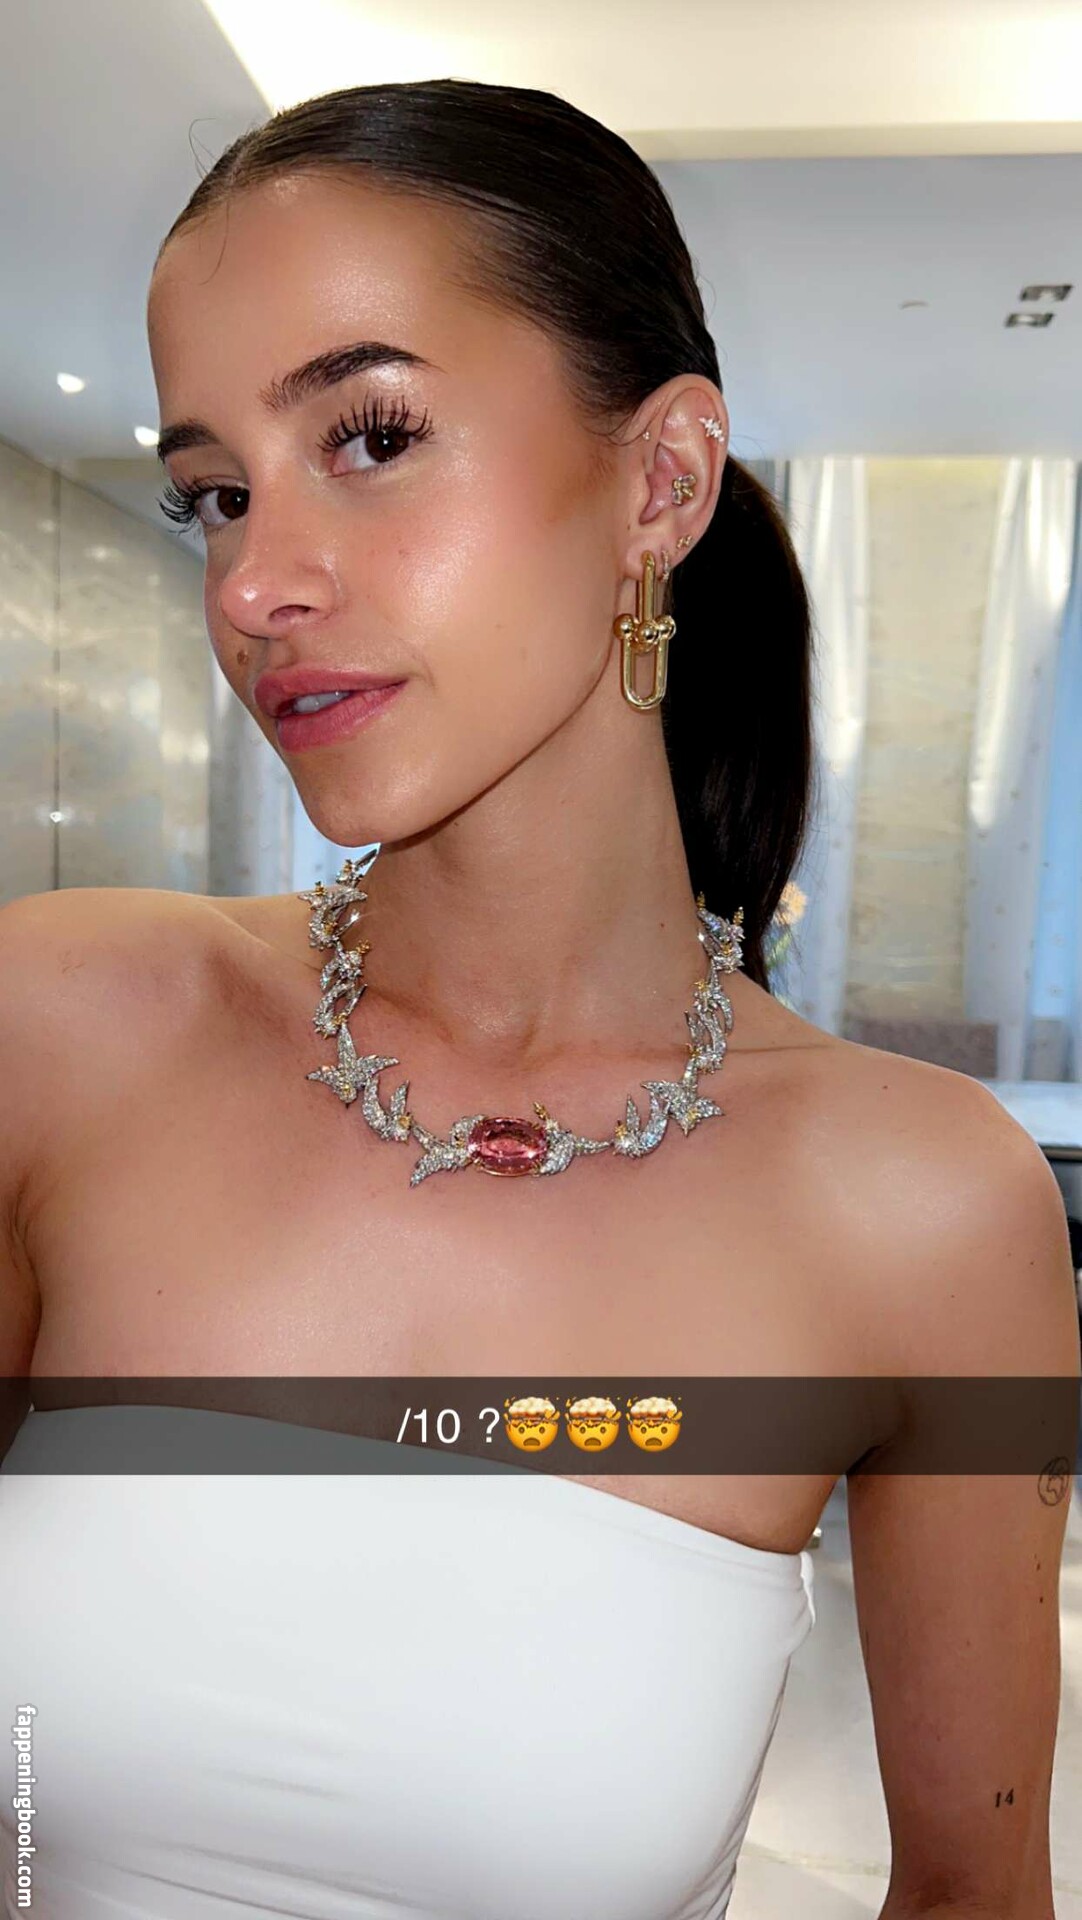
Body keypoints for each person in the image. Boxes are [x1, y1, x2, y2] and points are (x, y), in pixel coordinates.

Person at [0, 76, 1078, 1920]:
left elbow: (971, 1895)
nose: (254, 584)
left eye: (371, 436)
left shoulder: (922, 1208)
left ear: (659, 482)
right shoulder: (62, 1026)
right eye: (214, 495)